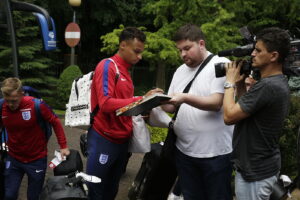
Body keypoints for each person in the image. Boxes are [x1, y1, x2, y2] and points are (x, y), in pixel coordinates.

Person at [87, 27, 162, 200]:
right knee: (97, 191)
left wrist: (146, 106)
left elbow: (122, 108)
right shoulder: (107, 66)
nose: (140, 56)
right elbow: (105, 104)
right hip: (104, 139)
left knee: (111, 190)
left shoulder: (126, 73)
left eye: (141, 52)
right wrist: (141, 99)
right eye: (136, 51)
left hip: (122, 142)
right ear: (122, 45)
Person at [162, 24, 234, 200]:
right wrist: (157, 100)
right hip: (184, 152)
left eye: (187, 48)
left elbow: (216, 103)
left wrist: (185, 97)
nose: (183, 54)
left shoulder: (220, 65)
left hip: (215, 154)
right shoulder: (179, 71)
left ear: (201, 44)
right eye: (180, 50)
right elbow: (171, 107)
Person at [223, 27, 291, 200]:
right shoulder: (276, 82)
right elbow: (246, 111)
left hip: (255, 174)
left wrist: (229, 83)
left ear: (273, 56)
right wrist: (239, 85)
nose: (252, 53)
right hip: (261, 168)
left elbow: (229, 116)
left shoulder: (267, 86)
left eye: (258, 50)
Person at [0, 77, 70, 200]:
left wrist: (63, 146)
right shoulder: (2, 106)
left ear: (22, 94)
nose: (11, 104)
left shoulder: (36, 105)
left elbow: (55, 121)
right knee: (9, 195)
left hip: (36, 158)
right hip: (14, 157)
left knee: (33, 196)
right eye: (8, 100)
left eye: (14, 100)